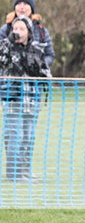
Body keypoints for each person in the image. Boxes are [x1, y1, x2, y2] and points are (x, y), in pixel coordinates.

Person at [0, 15, 52, 183]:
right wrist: (7, 44)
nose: (17, 32)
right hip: (12, 96)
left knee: (27, 136)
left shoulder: (36, 49)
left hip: (31, 98)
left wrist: (41, 72)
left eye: (22, 29)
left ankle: (24, 170)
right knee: (13, 133)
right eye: (15, 28)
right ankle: (14, 173)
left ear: (29, 32)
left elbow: (45, 72)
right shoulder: (6, 47)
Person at [0, 0, 55, 71]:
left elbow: (49, 55)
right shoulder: (6, 29)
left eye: (25, 4)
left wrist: (38, 65)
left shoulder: (41, 31)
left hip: (34, 80)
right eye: (18, 4)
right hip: (9, 80)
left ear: (31, 8)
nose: (22, 7)